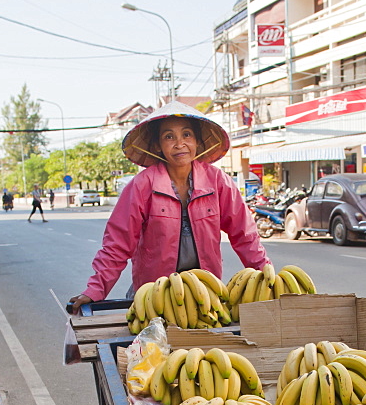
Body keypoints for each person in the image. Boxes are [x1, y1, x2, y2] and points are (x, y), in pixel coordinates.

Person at [69, 101, 270, 312]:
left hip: (206, 295)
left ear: (197, 141)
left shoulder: (218, 181)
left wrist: (268, 278)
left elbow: (245, 235)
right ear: (158, 145)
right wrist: (94, 290)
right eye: (169, 136)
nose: (179, 144)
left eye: (187, 135)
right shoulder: (141, 185)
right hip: (154, 297)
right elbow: (117, 245)